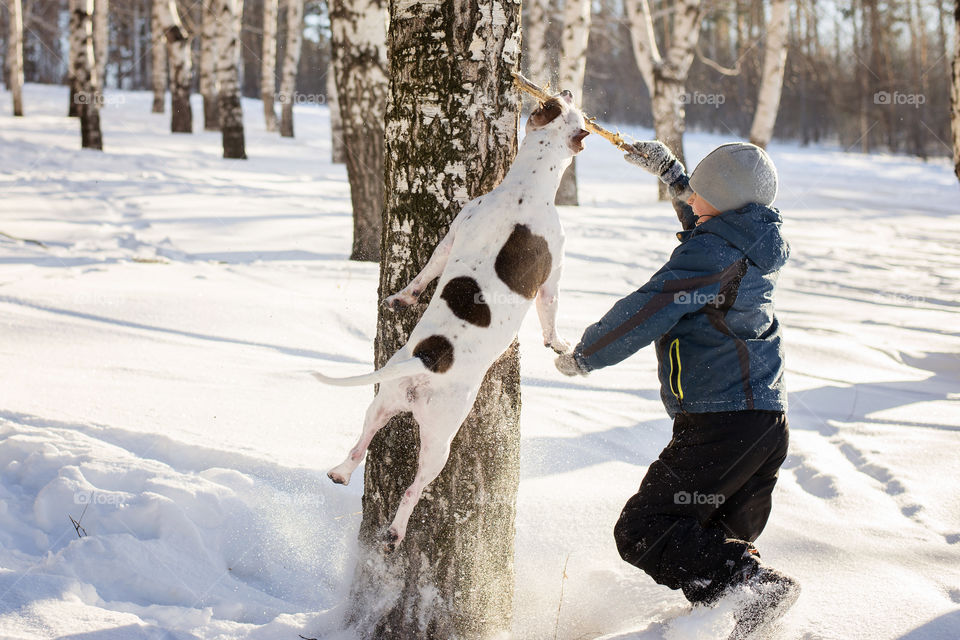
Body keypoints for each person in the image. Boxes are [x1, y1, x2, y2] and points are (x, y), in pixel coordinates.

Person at [555, 141, 799, 635]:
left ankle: (757, 587)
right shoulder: (746, 241)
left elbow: (653, 305)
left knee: (645, 528)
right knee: (712, 548)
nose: (690, 199)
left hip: (723, 424)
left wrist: (588, 353)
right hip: (762, 425)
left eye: (700, 193)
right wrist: (673, 175)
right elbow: (708, 224)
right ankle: (737, 611)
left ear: (724, 203)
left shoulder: (713, 254)